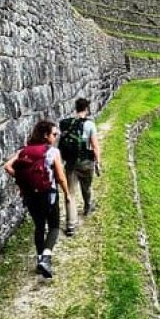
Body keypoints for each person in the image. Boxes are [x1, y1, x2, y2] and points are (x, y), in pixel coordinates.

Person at [4, 120, 72, 278]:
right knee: (54, 226)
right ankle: (46, 258)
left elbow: (8, 166)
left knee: (39, 226)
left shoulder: (23, 151)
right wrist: (67, 193)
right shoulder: (53, 152)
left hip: (29, 196)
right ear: (45, 135)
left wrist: (22, 178)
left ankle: (40, 258)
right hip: (48, 195)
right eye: (54, 134)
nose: (56, 137)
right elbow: (61, 177)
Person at [59, 98, 102, 236]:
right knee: (86, 187)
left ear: (76, 108)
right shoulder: (90, 125)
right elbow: (94, 146)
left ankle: (70, 225)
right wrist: (98, 162)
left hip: (70, 163)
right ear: (87, 109)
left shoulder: (66, 124)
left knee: (69, 193)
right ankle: (88, 207)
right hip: (85, 162)